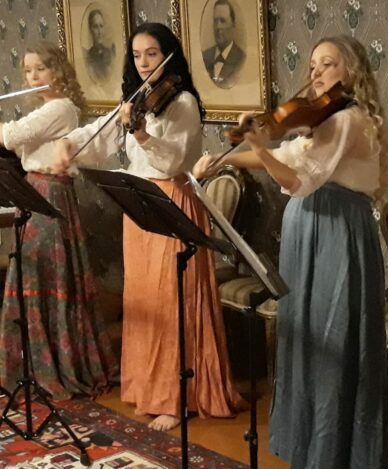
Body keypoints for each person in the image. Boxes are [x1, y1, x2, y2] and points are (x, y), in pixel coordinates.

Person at [194, 34, 388, 469]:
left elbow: (301, 181)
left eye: (328, 64)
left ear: (352, 72)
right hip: (308, 229)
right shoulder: (322, 120)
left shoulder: (348, 119)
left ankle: (338, 454)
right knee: (305, 335)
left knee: (334, 336)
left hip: (338, 230)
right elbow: (288, 155)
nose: (316, 73)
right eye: (313, 64)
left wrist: (257, 147)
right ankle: (308, 448)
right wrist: (226, 158)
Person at [52, 22, 244, 432]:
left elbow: (171, 161)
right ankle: (149, 388)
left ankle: (178, 397)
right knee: (145, 300)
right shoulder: (137, 97)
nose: (143, 63)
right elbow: (101, 134)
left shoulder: (183, 102)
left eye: (152, 54)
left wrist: (139, 133)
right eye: (137, 55)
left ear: (168, 54)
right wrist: (69, 144)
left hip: (172, 201)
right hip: (139, 204)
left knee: (172, 300)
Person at [0, 42, 118, 400]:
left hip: (50, 193)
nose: (33, 77)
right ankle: (31, 365)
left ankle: (56, 366)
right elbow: (20, 146)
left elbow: (11, 136)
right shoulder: (47, 109)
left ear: (57, 72)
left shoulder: (61, 108)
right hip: (35, 191)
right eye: (28, 71)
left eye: (40, 69)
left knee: (47, 276)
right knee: (31, 275)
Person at [201, 0, 245, 88]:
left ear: (233, 25)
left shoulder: (241, 59)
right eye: (215, 21)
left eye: (223, 21)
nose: (218, 27)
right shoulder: (204, 57)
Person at [84, 8, 116, 83]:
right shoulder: (88, 57)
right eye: (95, 26)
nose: (99, 32)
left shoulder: (110, 53)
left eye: (101, 26)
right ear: (90, 30)